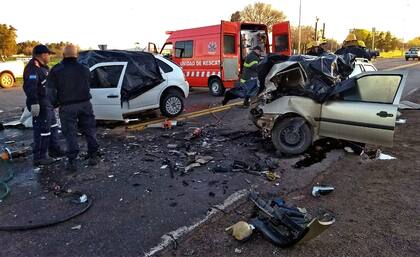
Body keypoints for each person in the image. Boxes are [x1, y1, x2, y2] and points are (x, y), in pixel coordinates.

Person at [47, 45, 99, 171]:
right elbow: (89, 83)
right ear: (77, 55)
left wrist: (54, 103)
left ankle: (72, 161)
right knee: (89, 130)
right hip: (85, 104)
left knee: (70, 134)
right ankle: (93, 156)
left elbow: (50, 90)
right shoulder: (84, 69)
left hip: (67, 106)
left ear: (63, 55)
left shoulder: (56, 69)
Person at [22, 44, 64, 167]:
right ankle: (40, 157)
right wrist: (34, 103)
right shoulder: (32, 68)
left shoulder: (44, 68)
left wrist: (55, 101)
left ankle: (54, 150)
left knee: (53, 127)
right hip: (40, 105)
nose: (49, 57)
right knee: (42, 131)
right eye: (48, 54)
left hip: (48, 104)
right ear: (42, 54)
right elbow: (30, 87)